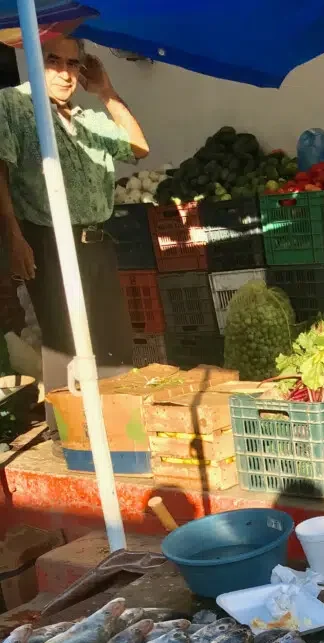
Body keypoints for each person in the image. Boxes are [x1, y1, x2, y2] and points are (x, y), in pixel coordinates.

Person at [0, 36, 149, 405]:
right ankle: (66, 434)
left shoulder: (90, 119)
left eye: (73, 64)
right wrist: (14, 237)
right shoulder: (13, 104)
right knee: (64, 346)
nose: (65, 74)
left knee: (112, 341)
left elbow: (138, 149)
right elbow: (0, 170)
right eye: (54, 61)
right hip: (48, 240)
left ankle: (117, 423)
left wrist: (106, 92)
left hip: (97, 242)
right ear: (33, 59)